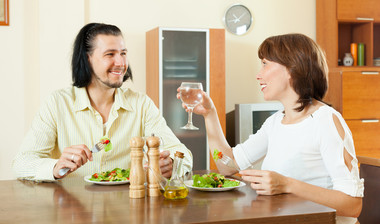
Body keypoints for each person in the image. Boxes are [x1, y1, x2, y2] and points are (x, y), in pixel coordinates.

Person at [178, 33, 363, 223]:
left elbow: (352, 205)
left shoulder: (326, 120)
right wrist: (209, 114)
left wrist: (286, 184)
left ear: (292, 68)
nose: (258, 74)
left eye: (265, 63)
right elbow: (228, 165)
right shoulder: (275, 122)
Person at [13, 23, 193, 181]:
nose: (121, 62)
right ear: (87, 58)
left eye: (123, 53)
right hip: (73, 212)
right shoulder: (57, 103)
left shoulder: (141, 104)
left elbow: (182, 152)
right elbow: (22, 163)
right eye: (110, 54)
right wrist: (55, 167)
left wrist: (172, 165)